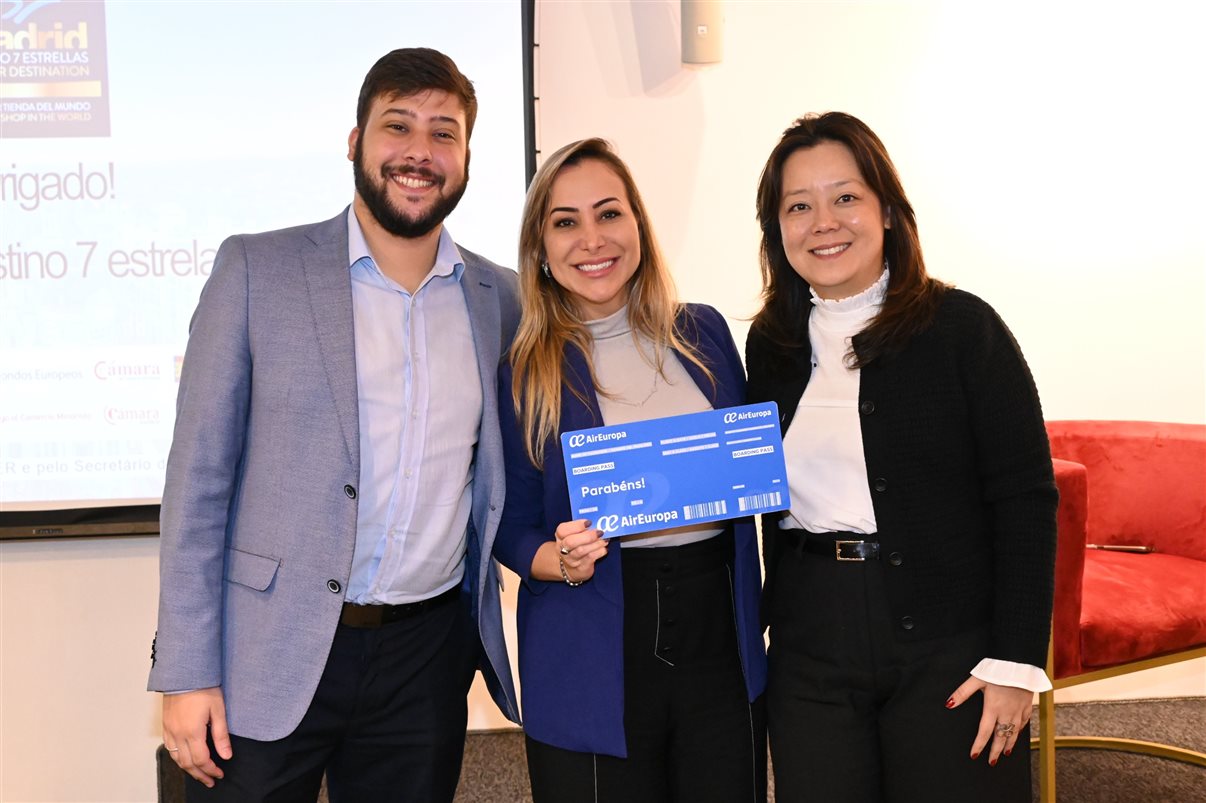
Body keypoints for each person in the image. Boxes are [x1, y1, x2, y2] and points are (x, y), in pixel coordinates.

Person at [147, 48, 520, 802]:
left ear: (468, 158)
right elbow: (198, 483)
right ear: (355, 142)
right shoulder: (257, 271)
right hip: (267, 654)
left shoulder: (502, 300)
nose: (419, 151)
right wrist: (187, 669)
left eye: (444, 133)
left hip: (425, 660)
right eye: (397, 126)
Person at [746, 112, 1058, 803]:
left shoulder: (963, 328)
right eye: (799, 205)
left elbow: (1026, 497)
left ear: (887, 208)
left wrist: (1016, 659)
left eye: (846, 197)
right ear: (778, 230)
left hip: (945, 639)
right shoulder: (771, 344)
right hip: (810, 636)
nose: (823, 221)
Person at [493, 138, 768, 803]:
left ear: (638, 225)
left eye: (609, 213)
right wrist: (560, 558)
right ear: (541, 249)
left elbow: (749, 465)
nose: (592, 239)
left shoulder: (704, 334)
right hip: (590, 633)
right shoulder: (527, 368)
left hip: (718, 635)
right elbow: (506, 524)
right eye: (565, 222)